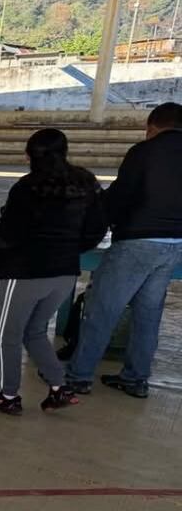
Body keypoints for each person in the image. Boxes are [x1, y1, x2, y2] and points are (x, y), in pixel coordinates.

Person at [0, 128, 106, 415]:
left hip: (25, 273)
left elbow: (8, 236)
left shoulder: (27, 188)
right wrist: (69, 247)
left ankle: (8, 396)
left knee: (7, 336)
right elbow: (97, 229)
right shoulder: (86, 182)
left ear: (29, 155)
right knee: (34, 331)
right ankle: (59, 388)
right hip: (65, 273)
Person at [66, 102, 182, 399]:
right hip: (174, 245)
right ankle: (136, 378)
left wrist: (93, 222)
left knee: (103, 310)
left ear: (153, 126)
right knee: (149, 315)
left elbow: (120, 197)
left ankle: (79, 376)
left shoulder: (144, 152)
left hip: (137, 242)